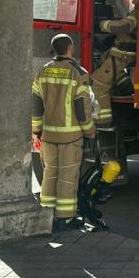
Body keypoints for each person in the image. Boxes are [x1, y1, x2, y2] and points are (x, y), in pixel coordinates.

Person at [31, 34, 96, 231]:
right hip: (71, 136)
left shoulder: (42, 71)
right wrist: (90, 131)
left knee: (50, 174)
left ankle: (47, 212)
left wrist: (36, 130)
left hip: (49, 135)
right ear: (70, 48)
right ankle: (65, 218)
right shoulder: (78, 72)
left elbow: (35, 105)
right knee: (67, 177)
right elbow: (82, 108)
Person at [91, 0, 139, 127]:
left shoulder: (138, 12)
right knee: (112, 74)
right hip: (124, 53)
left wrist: (101, 24)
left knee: (97, 84)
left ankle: (102, 123)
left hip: (123, 54)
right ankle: (125, 86)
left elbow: (124, 26)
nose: (134, 1)